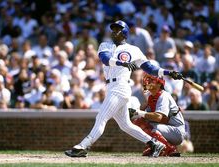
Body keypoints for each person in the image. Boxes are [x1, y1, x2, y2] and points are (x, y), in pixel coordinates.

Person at [64, 20, 182, 158]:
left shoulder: (134, 50)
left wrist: (168, 72)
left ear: (125, 32)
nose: (114, 31)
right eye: (113, 29)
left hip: (121, 86)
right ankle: (155, 143)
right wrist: (122, 63)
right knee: (125, 125)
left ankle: (82, 146)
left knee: (101, 117)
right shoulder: (105, 45)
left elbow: (150, 68)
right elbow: (105, 59)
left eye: (118, 29)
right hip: (111, 86)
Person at [129, 73, 185, 156]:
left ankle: (169, 149)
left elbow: (158, 117)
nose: (148, 82)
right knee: (138, 122)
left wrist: (140, 113)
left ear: (159, 84)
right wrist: (138, 111)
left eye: (151, 80)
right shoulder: (151, 97)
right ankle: (156, 147)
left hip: (177, 131)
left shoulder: (163, 95)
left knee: (153, 128)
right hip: (166, 128)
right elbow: (145, 117)